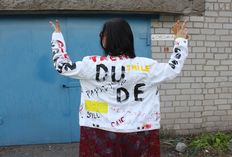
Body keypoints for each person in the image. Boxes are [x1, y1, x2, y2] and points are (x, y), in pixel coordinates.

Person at [50, 18, 188, 157]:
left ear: (108, 39)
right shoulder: (147, 66)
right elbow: (173, 69)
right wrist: (180, 41)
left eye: (102, 34)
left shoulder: (91, 64)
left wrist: (57, 37)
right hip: (140, 130)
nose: (100, 38)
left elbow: (62, 66)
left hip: (99, 129)